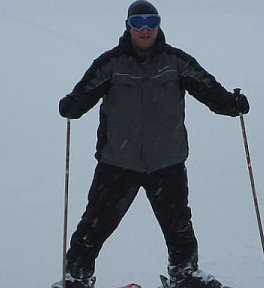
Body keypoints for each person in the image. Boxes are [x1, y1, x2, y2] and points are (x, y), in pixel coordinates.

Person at [52, 1, 249, 288]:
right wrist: (72, 105)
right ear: (128, 26)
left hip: (166, 162)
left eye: (151, 22)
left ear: (158, 25)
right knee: (94, 225)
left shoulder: (176, 61)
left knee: (178, 226)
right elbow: (83, 94)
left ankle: (184, 274)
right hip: (118, 162)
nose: (145, 29)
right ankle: (76, 277)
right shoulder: (110, 64)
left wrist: (231, 104)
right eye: (138, 23)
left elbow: (208, 89)